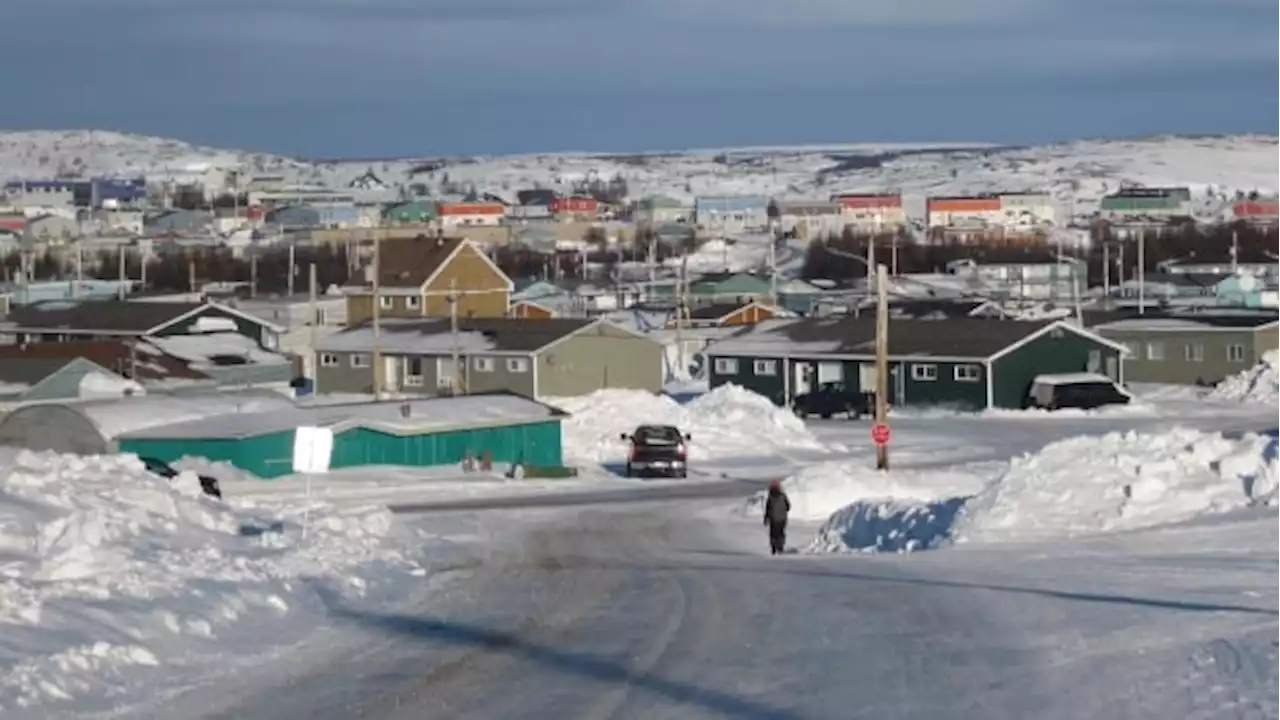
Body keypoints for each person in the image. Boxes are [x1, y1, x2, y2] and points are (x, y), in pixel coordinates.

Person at [763, 479, 790, 555]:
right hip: (782, 519)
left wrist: (766, 518)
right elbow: (788, 507)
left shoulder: (771, 497)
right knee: (781, 532)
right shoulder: (783, 496)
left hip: (773, 519)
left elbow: (768, 509)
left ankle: (774, 548)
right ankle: (780, 547)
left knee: (773, 533)